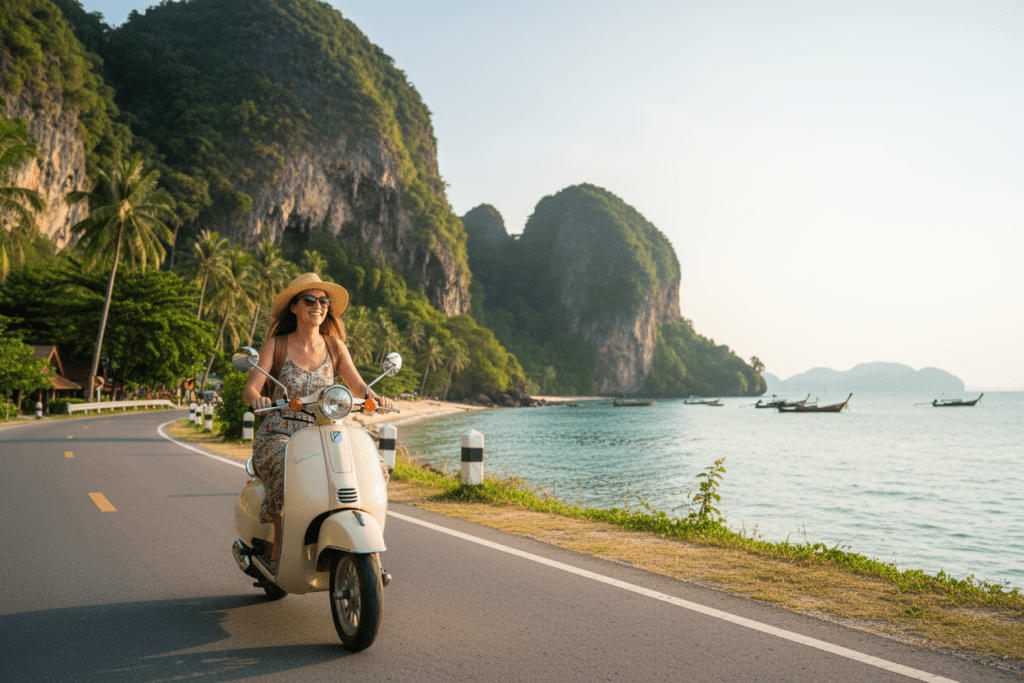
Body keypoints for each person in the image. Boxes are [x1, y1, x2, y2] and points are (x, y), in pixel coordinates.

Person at [242, 272, 394, 572]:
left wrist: (377, 399)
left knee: (375, 468)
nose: (318, 306)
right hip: (280, 432)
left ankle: (357, 541)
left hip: (327, 431)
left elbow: (359, 387)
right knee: (286, 471)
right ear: (295, 307)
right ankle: (278, 553)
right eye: (310, 300)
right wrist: (258, 399)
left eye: (324, 301)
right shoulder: (277, 345)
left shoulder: (335, 346)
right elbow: (251, 388)